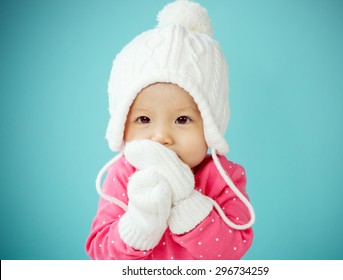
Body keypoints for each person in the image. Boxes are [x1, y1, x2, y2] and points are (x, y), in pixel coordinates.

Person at [86, 0, 255, 260]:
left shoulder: (223, 177)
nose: (161, 137)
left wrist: (186, 203)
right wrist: (141, 223)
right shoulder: (122, 174)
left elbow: (232, 250)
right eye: (144, 120)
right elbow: (100, 252)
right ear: (122, 126)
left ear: (210, 127)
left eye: (182, 120)